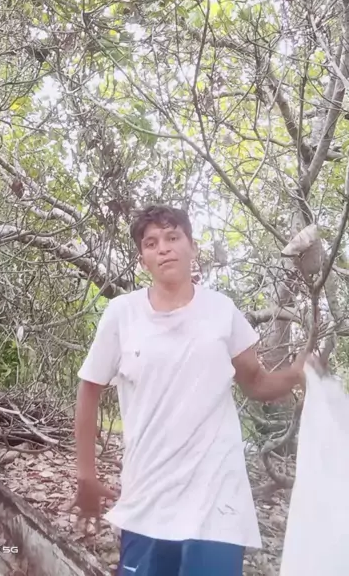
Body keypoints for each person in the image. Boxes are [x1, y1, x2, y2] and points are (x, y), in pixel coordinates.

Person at [71, 205, 306, 576]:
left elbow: (256, 382)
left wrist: (298, 373)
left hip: (217, 500)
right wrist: (86, 474)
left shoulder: (221, 311)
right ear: (143, 260)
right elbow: (89, 390)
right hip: (148, 496)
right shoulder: (122, 314)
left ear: (192, 246)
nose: (163, 248)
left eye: (172, 237)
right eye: (151, 243)